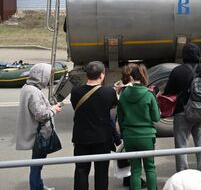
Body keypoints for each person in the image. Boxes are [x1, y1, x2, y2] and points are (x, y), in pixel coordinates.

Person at [164, 43, 201, 174]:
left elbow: (168, 92)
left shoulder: (177, 71)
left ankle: (183, 175)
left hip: (182, 113)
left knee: (181, 147)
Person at [71, 61, 118, 190]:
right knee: (102, 172)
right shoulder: (109, 92)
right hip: (102, 138)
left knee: (81, 171)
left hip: (81, 137)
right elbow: (113, 104)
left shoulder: (75, 91)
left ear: (87, 75)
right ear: (102, 75)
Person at [16, 63, 63, 190]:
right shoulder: (33, 92)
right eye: (47, 75)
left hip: (36, 132)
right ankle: (36, 187)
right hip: (40, 133)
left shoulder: (27, 87)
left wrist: (50, 107)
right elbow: (41, 115)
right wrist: (53, 110)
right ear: (41, 76)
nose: (48, 79)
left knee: (37, 163)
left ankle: (39, 185)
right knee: (37, 164)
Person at [117, 64, 160, 190]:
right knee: (150, 168)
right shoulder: (149, 94)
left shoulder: (124, 94)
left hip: (130, 136)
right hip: (147, 136)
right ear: (142, 76)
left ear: (131, 77)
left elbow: (120, 118)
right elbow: (156, 117)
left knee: (135, 170)